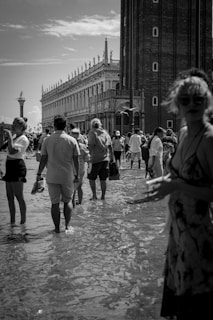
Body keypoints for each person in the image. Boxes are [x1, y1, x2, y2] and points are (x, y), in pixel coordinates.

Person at [144, 72, 213, 319]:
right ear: (177, 105)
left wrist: (177, 187)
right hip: (178, 232)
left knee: (196, 306)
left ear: (207, 101)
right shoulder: (184, 134)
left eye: (198, 98)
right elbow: (179, 176)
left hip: (201, 234)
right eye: (185, 100)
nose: (192, 104)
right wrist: (160, 185)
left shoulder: (209, 139)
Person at [36, 115, 80, 233]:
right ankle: (67, 226)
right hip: (67, 176)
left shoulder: (47, 140)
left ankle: (56, 229)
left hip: (52, 175)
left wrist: (39, 173)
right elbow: (76, 160)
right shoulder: (72, 140)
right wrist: (77, 175)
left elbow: (43, 158)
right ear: (65, 126)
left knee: (54, 203)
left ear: (54, 126)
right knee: (68, 201)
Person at [2, 117, 29, 234]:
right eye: (13, 124)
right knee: (9, 196)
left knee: (19, 196)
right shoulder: (14, 137)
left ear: (22, 127)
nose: (13, 126)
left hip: (17, 166)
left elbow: (13, 151)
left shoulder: (23, 139)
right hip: (9, 166)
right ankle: (12, 222)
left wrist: (9, 136)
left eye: (15, 124)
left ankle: (23, 222)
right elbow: (3, 148)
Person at [87, 118, 113, 200]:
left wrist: (89, 156)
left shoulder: (91, 133)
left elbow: (90, 146)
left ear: (92, 125)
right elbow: (110, 146)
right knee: (103, 179)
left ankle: (94, 195)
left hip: (94, 159)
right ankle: (103, 196)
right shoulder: (105, 133)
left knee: (91, 178)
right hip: (105, 159)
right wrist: (111, 157)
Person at [71, 127, 90, 206]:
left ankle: (72, 203)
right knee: (79, 186)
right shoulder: (83, 146)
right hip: (81, 169)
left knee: (72, 187)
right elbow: (88, 159)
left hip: (71, 168)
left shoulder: (69, 145)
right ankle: (79, 202)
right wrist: (89, 167)